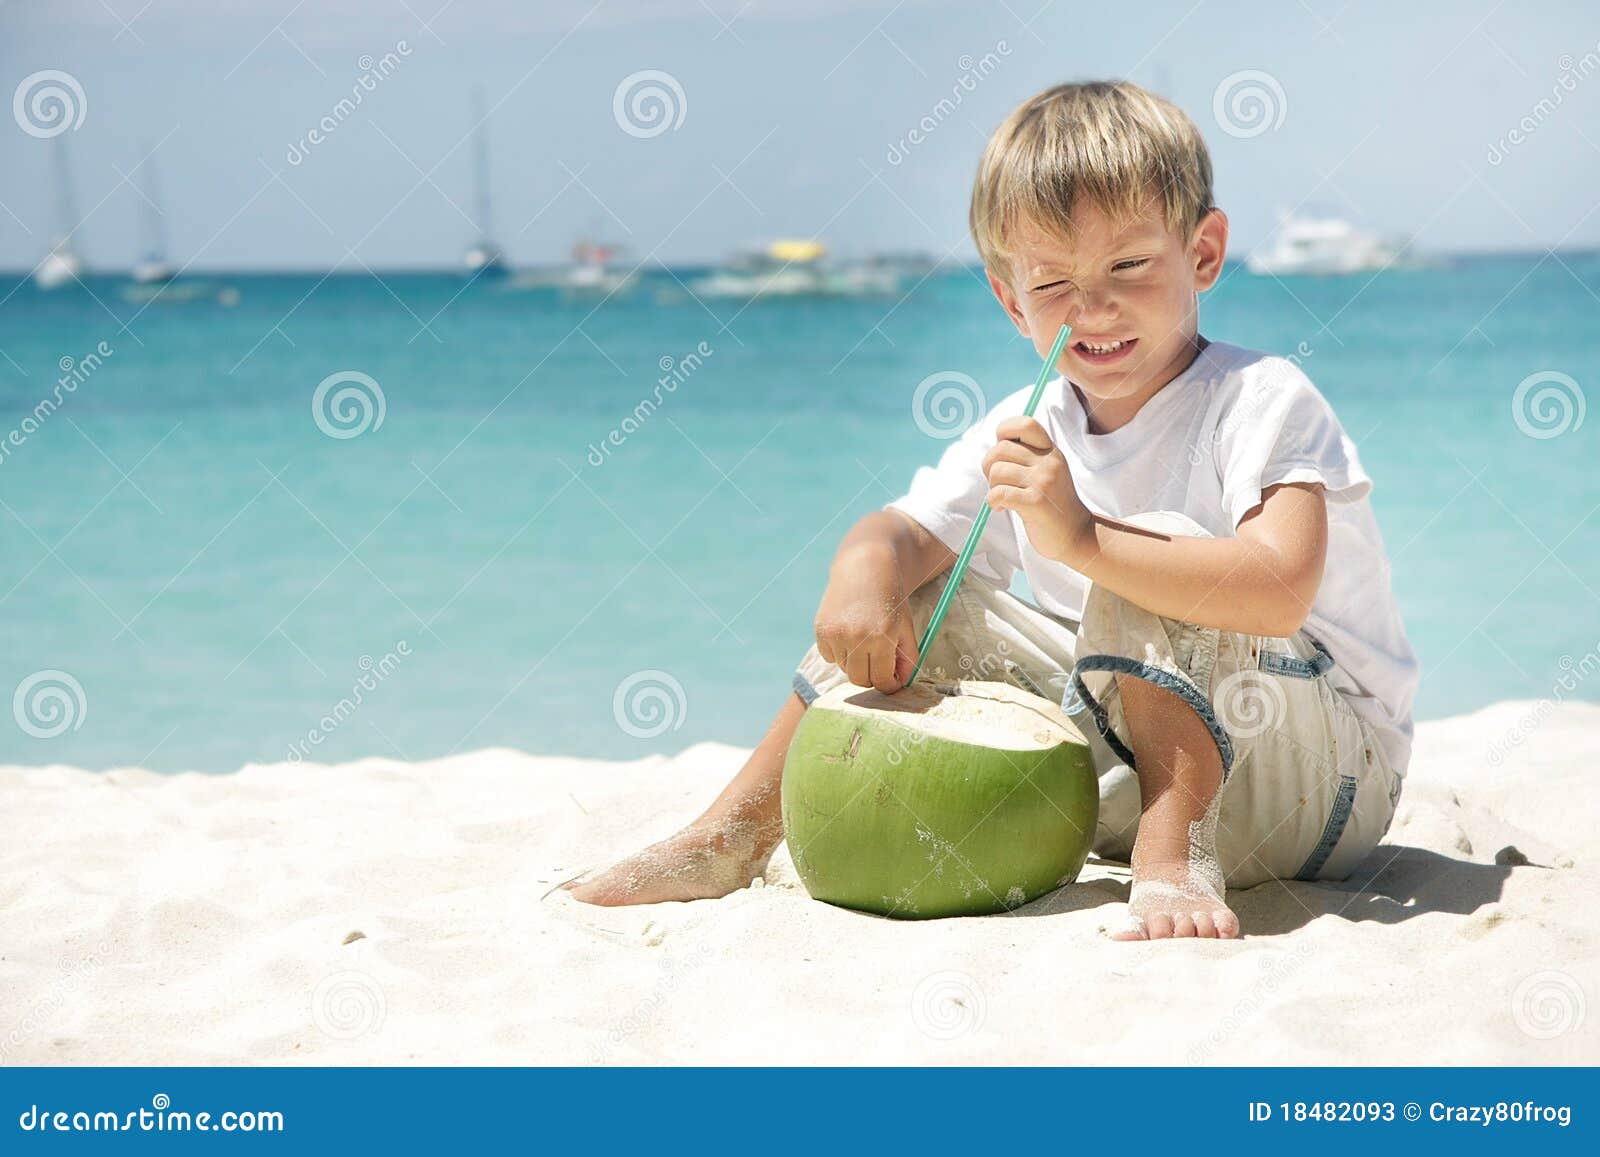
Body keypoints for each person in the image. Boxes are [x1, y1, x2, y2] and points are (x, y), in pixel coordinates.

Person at [566, 80, 1418, 940]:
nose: (1094, 307)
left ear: (1202, 252)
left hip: (1320, 782)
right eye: (1053, 282)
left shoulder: (1260, 397)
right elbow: (901, 533)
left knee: (1145, 560)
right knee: (932, 590)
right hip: (1123, 774)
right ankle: (731, 833)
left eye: (1129, 265)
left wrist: (1082, 536)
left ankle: (1174, 865)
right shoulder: (1034, 418)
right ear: (1012, 301)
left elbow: (1277, 588)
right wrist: (863, 579)